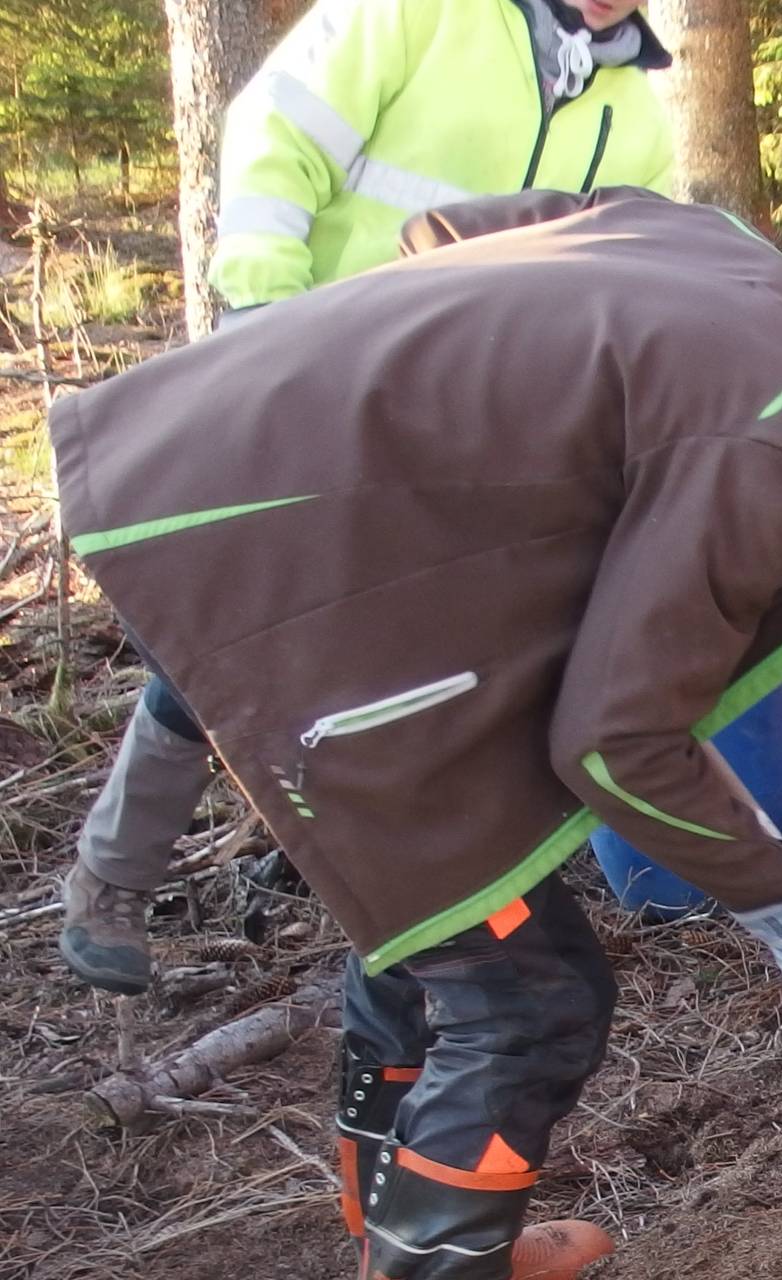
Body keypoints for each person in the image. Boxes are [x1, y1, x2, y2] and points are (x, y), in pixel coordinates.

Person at [46, 187, 782, 1279]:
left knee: (442, 910)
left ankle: (401, 1225)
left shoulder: (731, 254)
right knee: (532, 996)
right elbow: (614, 744)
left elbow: (444, 233)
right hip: (284, 569)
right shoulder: (771, 449)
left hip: (205, 449)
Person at [57, 0, 678, 996]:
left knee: (416, 655)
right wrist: (260, 312)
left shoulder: (636, 117)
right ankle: (112, 876)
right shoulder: (417, 14)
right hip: (309, 370)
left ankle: (377, 876)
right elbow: (277, 135)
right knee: (228, 620)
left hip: (466, 434)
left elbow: (632, 279)